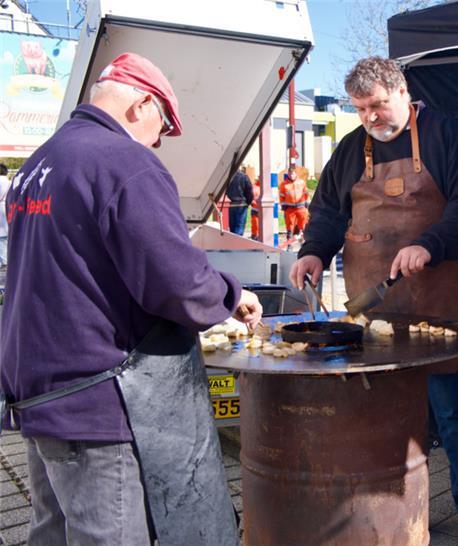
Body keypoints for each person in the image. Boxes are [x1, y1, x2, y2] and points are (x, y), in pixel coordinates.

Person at [0, 52, 262, 545]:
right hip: (96, 403)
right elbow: (176, 282)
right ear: (142, 103)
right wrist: (232, 293)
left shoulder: (41, 162)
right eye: (163, 124)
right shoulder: (125, 162)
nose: (160, 141)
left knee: (52, 534)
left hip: (37, 391)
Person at [289, 57, 458, 545]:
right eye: (361, 109)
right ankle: (391, 512)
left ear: (402, 93)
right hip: (372, 314)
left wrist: (432, 243)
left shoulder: (446, 136)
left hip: (434, 307)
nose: (370, 117)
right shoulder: (349, 151)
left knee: (453, 412)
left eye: (378, 105)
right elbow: (326, 213)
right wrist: (314, 252)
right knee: (379, 415)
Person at [278, 165, 310, 242]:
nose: (291, 175)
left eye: (292, 174)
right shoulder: (284, 184)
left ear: (296, 174)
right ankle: (289, 244)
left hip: (301, 208)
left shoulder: (301, 182)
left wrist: (307, 203)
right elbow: (281, 196)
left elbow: (306, 194)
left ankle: (304, 243)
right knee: (290, 227)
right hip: (290, 209)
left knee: (304, 225)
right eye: (290, 174)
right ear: (288, 174)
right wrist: (283, 205)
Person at [227, 165, 254, 235]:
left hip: (230, 204)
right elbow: (249, 191)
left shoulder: (227, 177)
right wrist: (248, 202)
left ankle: (233, 244)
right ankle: (237, 244)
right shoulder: (244, 176)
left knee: (232, 228)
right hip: (241, 204)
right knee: (239, 228)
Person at [0, 163, 10, 269]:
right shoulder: (9, 181)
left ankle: (3, 260)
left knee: (1, 236)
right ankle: (6, 258)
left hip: (0, 207)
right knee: (6, 234)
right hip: (7, 206)